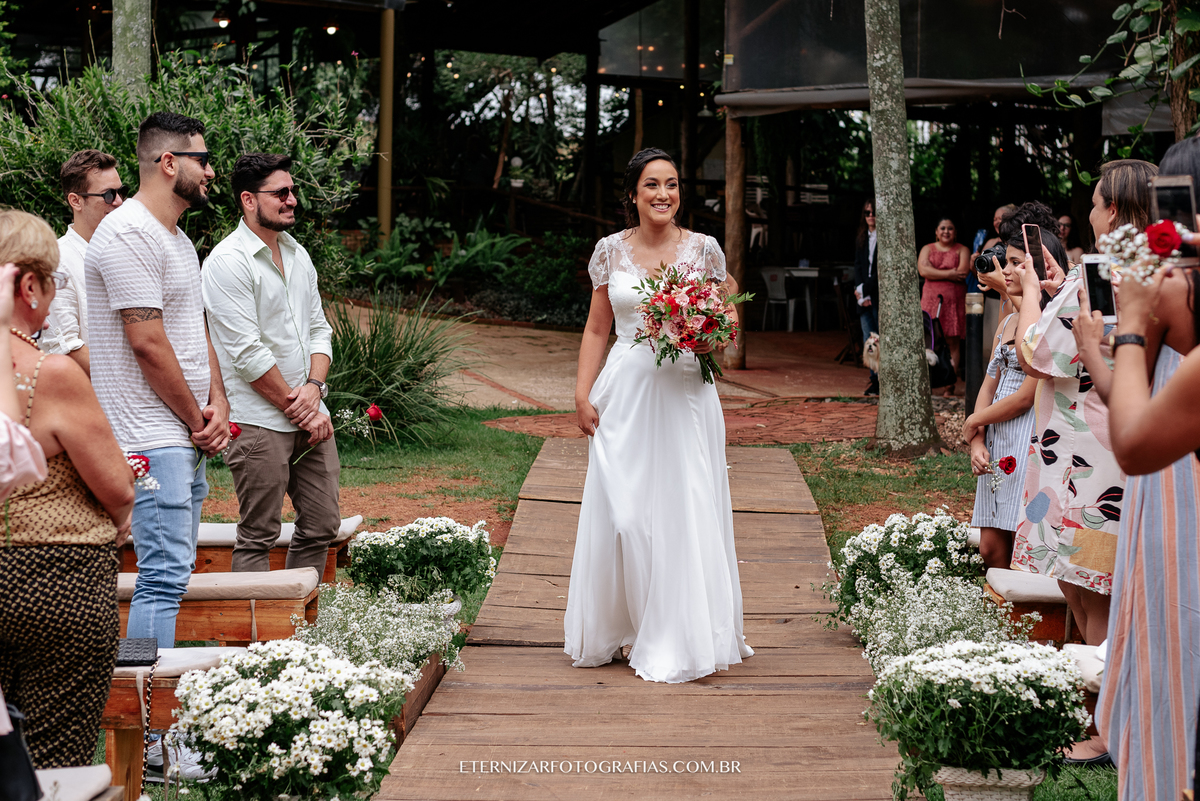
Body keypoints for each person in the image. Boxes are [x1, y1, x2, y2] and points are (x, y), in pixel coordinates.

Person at [564, 147, 754, 684]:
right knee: (624, 516)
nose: (663, 194)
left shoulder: (703, 249)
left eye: (671, 184)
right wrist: (582, 394)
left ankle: (677, 633)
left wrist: (712, 324)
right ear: (633, 194)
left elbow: (728, 318)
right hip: (623, 394)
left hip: (687, 396)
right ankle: (626, 624)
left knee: (685, 509)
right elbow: (598, 327)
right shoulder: (610, 252)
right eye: (652, 185)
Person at [1010, 166, 1157, 765]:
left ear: (1115, 212)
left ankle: (1102, 728)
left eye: (1095, 203)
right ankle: (1094, 712)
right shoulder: (1132, 270)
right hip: (1083, 448)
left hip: (1086, 458)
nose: (1089, 212)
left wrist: (1028, 299)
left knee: (1093, 591)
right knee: (1079, 582)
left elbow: (1038, 352)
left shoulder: (1107, 273)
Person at [1073, 137, 1200, 797]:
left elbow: (1134, 437)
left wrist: (1129, 325)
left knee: (1175, 645)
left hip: (1176, 496)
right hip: (1160, 481)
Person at [85, 111, 231, 648]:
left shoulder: (177, 240)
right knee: (162, 578)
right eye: (203, 159)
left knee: (172, 574)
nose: (211, 171)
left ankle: (153, 722)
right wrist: (197, 420)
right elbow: (146, 343)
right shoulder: (127, 235)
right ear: (169, 163)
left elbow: (195, 330)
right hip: (149, 435)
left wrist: (218, 401)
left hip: (184, 434)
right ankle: (148, 728)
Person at [0, 210, 135, 768]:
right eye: (54, 283)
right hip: (55, 581)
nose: (54, 300)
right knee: (59, 758)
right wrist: (121, 515)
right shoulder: (48, 374)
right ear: (29, 285)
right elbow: (118, 485)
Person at [202, 154, 339, 573]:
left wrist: (314, 391)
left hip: (310, 412)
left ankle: (298, 629)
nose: (292, 200)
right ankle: (253, 637)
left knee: (321, 524)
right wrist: (297, 407)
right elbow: (247, 354)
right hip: (259, 422)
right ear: (248, 199)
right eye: (281, 193)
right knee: (258, 533)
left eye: (292, 191)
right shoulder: (227, 262)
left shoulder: (298, 254)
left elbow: (320, 330)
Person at [963, 242, 1036, 570]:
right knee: (990, 548)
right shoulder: (1006, 321)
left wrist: (974, 420)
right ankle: (999, 612)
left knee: (1022, 542)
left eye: (1013, 264)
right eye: (1002, 264)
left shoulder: (1044, 318)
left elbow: (1025, 396)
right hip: (995, 433)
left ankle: (1017, 616)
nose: (1005, 271)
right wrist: (977, 436)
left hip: (1026, 434)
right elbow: (989, 382)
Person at [41, 150, 127, 376]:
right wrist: (133, 384)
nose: (119, 202)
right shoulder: (57, 261)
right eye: (108, 195)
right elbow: (66, 349)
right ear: (76, 201)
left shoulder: (130, 253)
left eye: (121, 192)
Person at [917, 217, 970, 393]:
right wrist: (949, 274)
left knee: (952, 341)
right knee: (928, 340)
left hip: (953, 301)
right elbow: (923, 270)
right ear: (936, 231)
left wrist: (935, 272)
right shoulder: (927, 248)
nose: (946, 231)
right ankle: (929, 383)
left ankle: (949, 383)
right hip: (930, 300)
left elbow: (962, 273)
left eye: (950, 228)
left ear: (955, 232)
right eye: (942, 228)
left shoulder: (962, 249)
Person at [853, 198, 878, 396]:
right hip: (864, 295)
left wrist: (865, 290)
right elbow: (858, 266)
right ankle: (873, 378)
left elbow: (879, 271)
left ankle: (883, 378)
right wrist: (859, 290)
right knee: (867, 337)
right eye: (867, 213)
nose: (871, 216)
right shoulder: (862, 237)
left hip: (877, 294)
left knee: (880, 337)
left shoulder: (884, 238)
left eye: (874, 212)